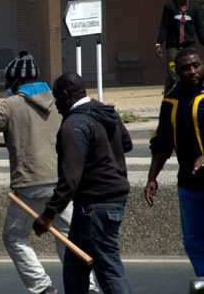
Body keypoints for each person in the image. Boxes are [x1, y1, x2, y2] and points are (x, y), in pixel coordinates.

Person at [0, 52, 98, 294]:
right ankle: (87, 287)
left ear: (15, 82)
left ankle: (42, 287)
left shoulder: (12, 104)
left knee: (14, 237)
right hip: (62, 184)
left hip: (28, 185)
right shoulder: (59, 101)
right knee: (67, 238)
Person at [33, 72, 132, 294]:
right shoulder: (106, 112)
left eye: (57, 99)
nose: (56, 107)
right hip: (103, 203)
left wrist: (48, 215)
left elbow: (70, 179)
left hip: (95, 207)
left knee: (108, 270)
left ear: (66, 96)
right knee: (74, 269)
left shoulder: (74, 125)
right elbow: (126, 144)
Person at [146, 48, 204, 277]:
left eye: (196, 65)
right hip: (188, 184)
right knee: (193, 241)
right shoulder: (170, 101)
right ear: (177, 72)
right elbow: (162, 143)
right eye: (185, 68)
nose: (191, 71)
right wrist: (152, 177)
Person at [155, 0, 204, 94]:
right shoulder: (169, 6)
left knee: (191, 74)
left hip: (189, 47)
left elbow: (199, 28)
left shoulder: (194, 8)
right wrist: (158, 43)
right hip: (173, 47)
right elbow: (164, 26)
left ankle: (192, 96)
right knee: (172, 75)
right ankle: (167, 98)